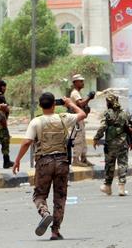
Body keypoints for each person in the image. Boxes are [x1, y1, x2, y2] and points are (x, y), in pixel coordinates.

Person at [12, 92, 86, 240]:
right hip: (62, 162)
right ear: (54, 104)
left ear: (40, 105)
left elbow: (27, 142)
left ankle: (45, 213)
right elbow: (82, 114)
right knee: (60, 197)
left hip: (44, 162)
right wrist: (70, 104)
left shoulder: (36, 121)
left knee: (39, 195)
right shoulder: (63, 118)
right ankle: (55, 231)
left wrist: (18, 159)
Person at [93, 94, 132, 196]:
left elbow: (102, 127)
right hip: (123, 144)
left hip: (110, 144)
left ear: (108, 103)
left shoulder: (107, 114)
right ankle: (121, 188)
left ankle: (107, 186)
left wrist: (96, 138)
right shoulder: (126, 113)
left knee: (109, 165)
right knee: (123, 164)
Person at [69, 74, 95, 167]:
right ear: (75, 82)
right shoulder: (75, 93)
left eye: (82, 81)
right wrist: (89, 97)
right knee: (78, 139)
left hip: (80, 119)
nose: (82, 83)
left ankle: (84, 159)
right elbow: (80, 104)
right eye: (80, 81)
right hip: (76, 119)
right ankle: (75, 160)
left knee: (83, 139)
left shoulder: (78, 93)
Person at [0, 80, 14, 169]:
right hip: (0, 123)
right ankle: (6, 161)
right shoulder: (0, 96)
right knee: (5, 141)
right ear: (1, 87)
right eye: (4, 86)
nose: (5, 88)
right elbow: (5, 109)